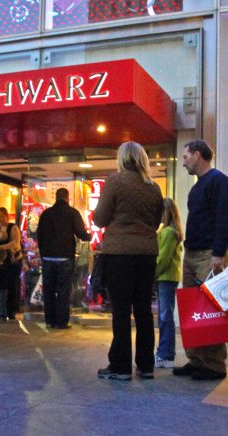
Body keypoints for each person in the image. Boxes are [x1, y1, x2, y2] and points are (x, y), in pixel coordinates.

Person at [94, 141, 163, 381]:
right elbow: (156, 221)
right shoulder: (153, 187)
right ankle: (146, 365)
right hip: (147, 254)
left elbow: (100, 219)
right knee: (144, 309)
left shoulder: (114, 182)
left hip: (120, 254)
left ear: (123, 158)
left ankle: (120, 367)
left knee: (121, 311)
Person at [173, 139, 228, 381]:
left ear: (198, 155)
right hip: (193, 254)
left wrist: (219, 252)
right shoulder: (198, 186)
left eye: (186, 157)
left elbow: (225, 217)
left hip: (209, 254)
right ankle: (197, 360)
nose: (183, 162)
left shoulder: (219, 181)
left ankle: (214, 365)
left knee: (211, 310)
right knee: (193, 310)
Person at [36, 188, 90, 329]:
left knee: (48, 290)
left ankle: (49, 320)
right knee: (63, 291)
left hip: (48, 258)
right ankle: (61, 322)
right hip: (65, 258)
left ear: (56, 197)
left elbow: (39, 236)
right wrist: (88, 236)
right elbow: (81, 233)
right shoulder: (72, 213)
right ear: (67, 197)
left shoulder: (46, 214)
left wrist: (43, 255)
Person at [154, 197, 183, 369]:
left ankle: (165, 354)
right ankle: (165, 353)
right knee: (166, 316)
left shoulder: (168, 232)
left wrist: (152, 274)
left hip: (165, 277)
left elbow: (162, 258)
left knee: (165, 317)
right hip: (170, 277)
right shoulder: (173, 231)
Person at [0, 207, 23, 323]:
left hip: (12, 261)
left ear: (6, 216)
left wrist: (2, 247)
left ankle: (11, 311)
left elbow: (15, 243)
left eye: (2, 216)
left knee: (12, 285)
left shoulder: (13, 228)